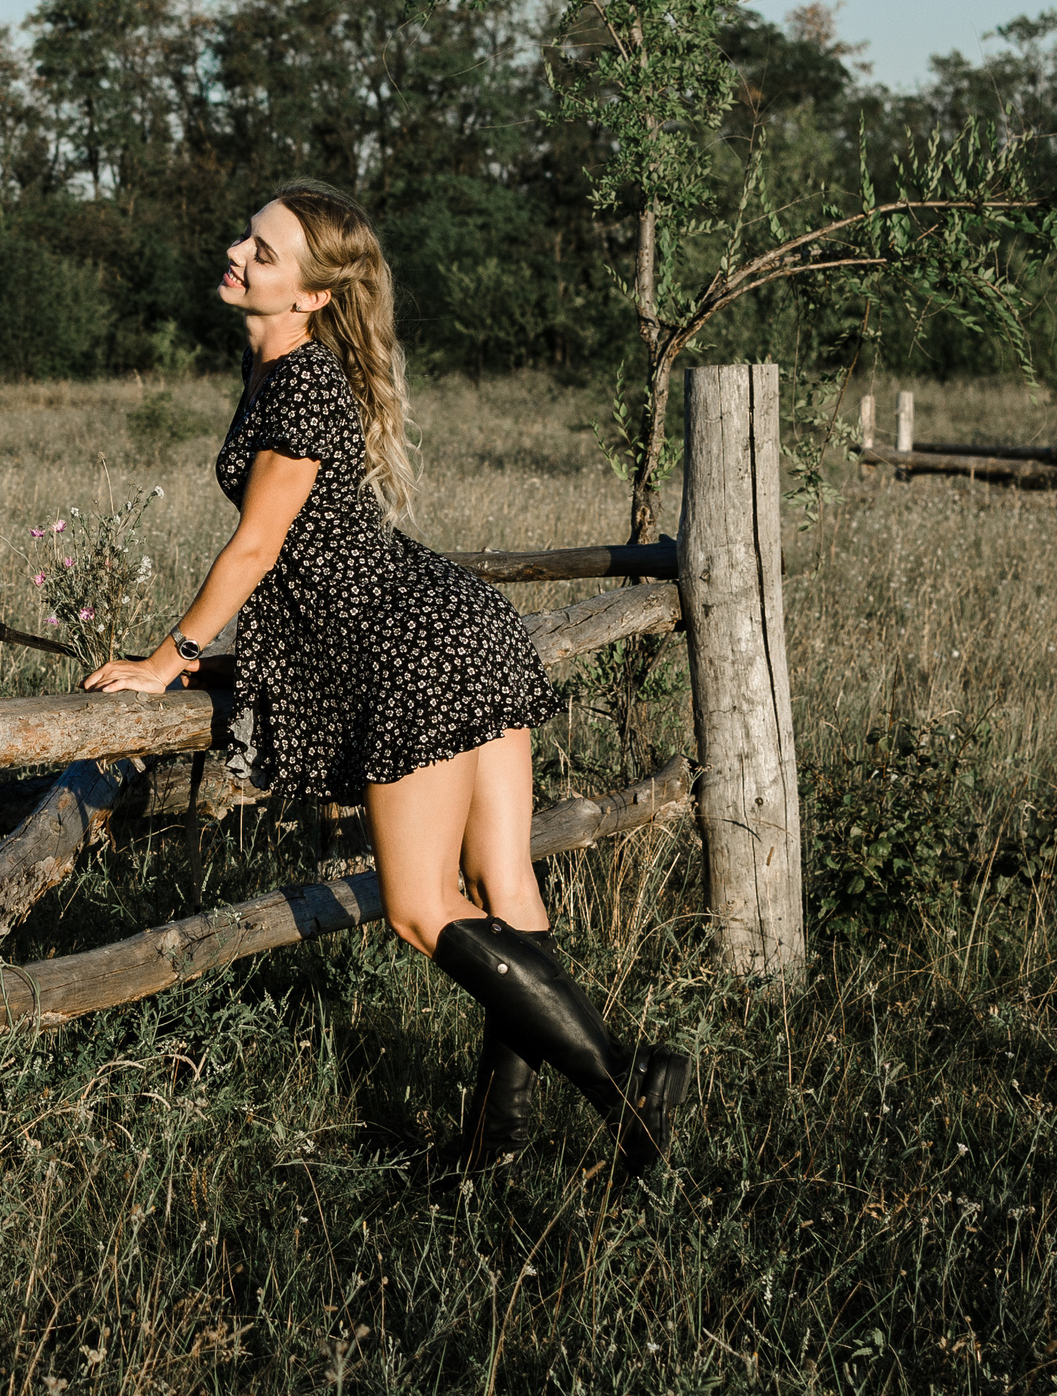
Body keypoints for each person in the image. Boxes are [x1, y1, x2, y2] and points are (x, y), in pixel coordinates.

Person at [84, 182, 689, 1179]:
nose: (239, 253)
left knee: (418, 906)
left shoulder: (300, 383)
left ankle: (627, 1083)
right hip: (448, 623)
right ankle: (495, 1141)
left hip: (405, 646)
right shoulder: (277, 367)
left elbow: (257, 547)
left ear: (312, 295)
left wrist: (169, 658)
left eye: (265, 252)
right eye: (248, 237)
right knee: (503, 886)